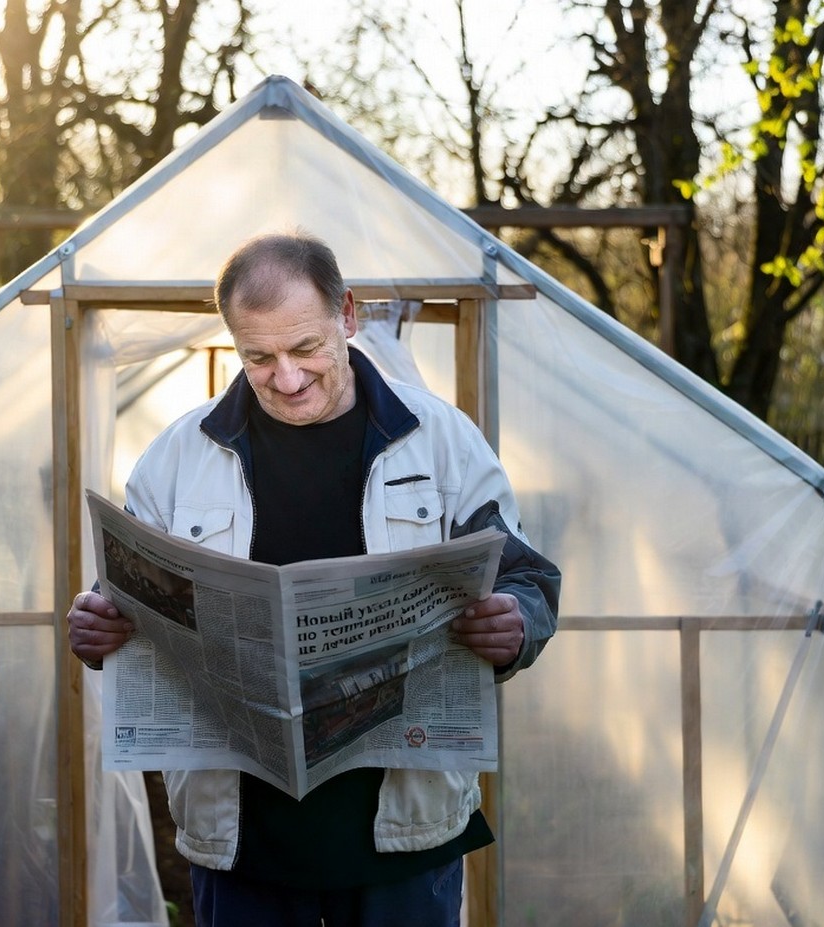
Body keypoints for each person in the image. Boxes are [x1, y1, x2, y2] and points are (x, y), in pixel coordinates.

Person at [69, 231, 560, 927]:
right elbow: (121, 598)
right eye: (258, 357)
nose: (287, 378)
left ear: (347, 316)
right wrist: (94, 623)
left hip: (402, 834)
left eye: (304, 349)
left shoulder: (442, 440)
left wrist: (514, 620)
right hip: (242, 844)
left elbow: (526, 576)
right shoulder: (175, 458)